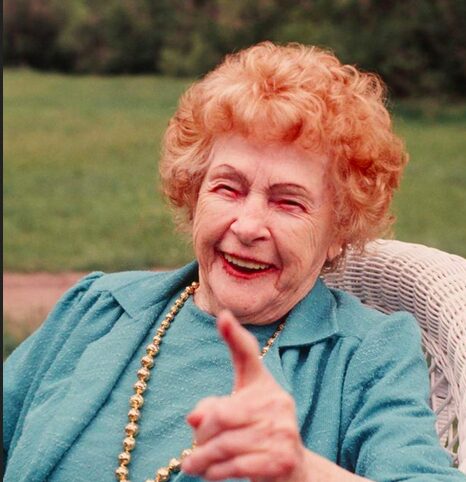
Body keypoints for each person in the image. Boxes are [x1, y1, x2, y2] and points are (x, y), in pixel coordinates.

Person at [3, 42, 465, 482]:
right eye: (229, 188)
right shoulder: (96, 308)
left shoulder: (368, 356)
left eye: (288, 202)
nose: (248, 226)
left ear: (337, 233)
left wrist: (302, 471)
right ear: (193, 193)